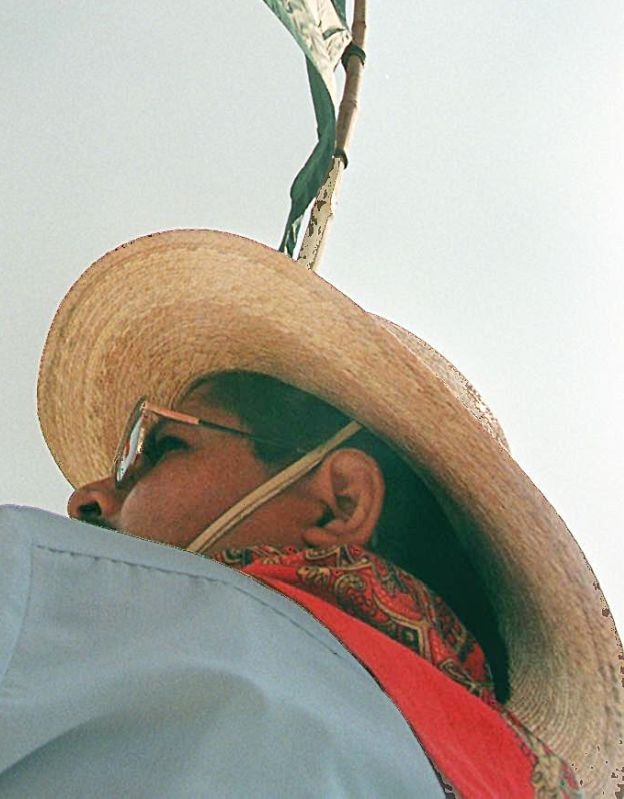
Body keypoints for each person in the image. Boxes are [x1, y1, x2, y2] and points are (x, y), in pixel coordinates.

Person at [37, 228, 622, 796]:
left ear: (342, 501)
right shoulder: (495, 779)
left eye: (163, 446)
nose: (89, 498)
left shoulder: (40, 627)